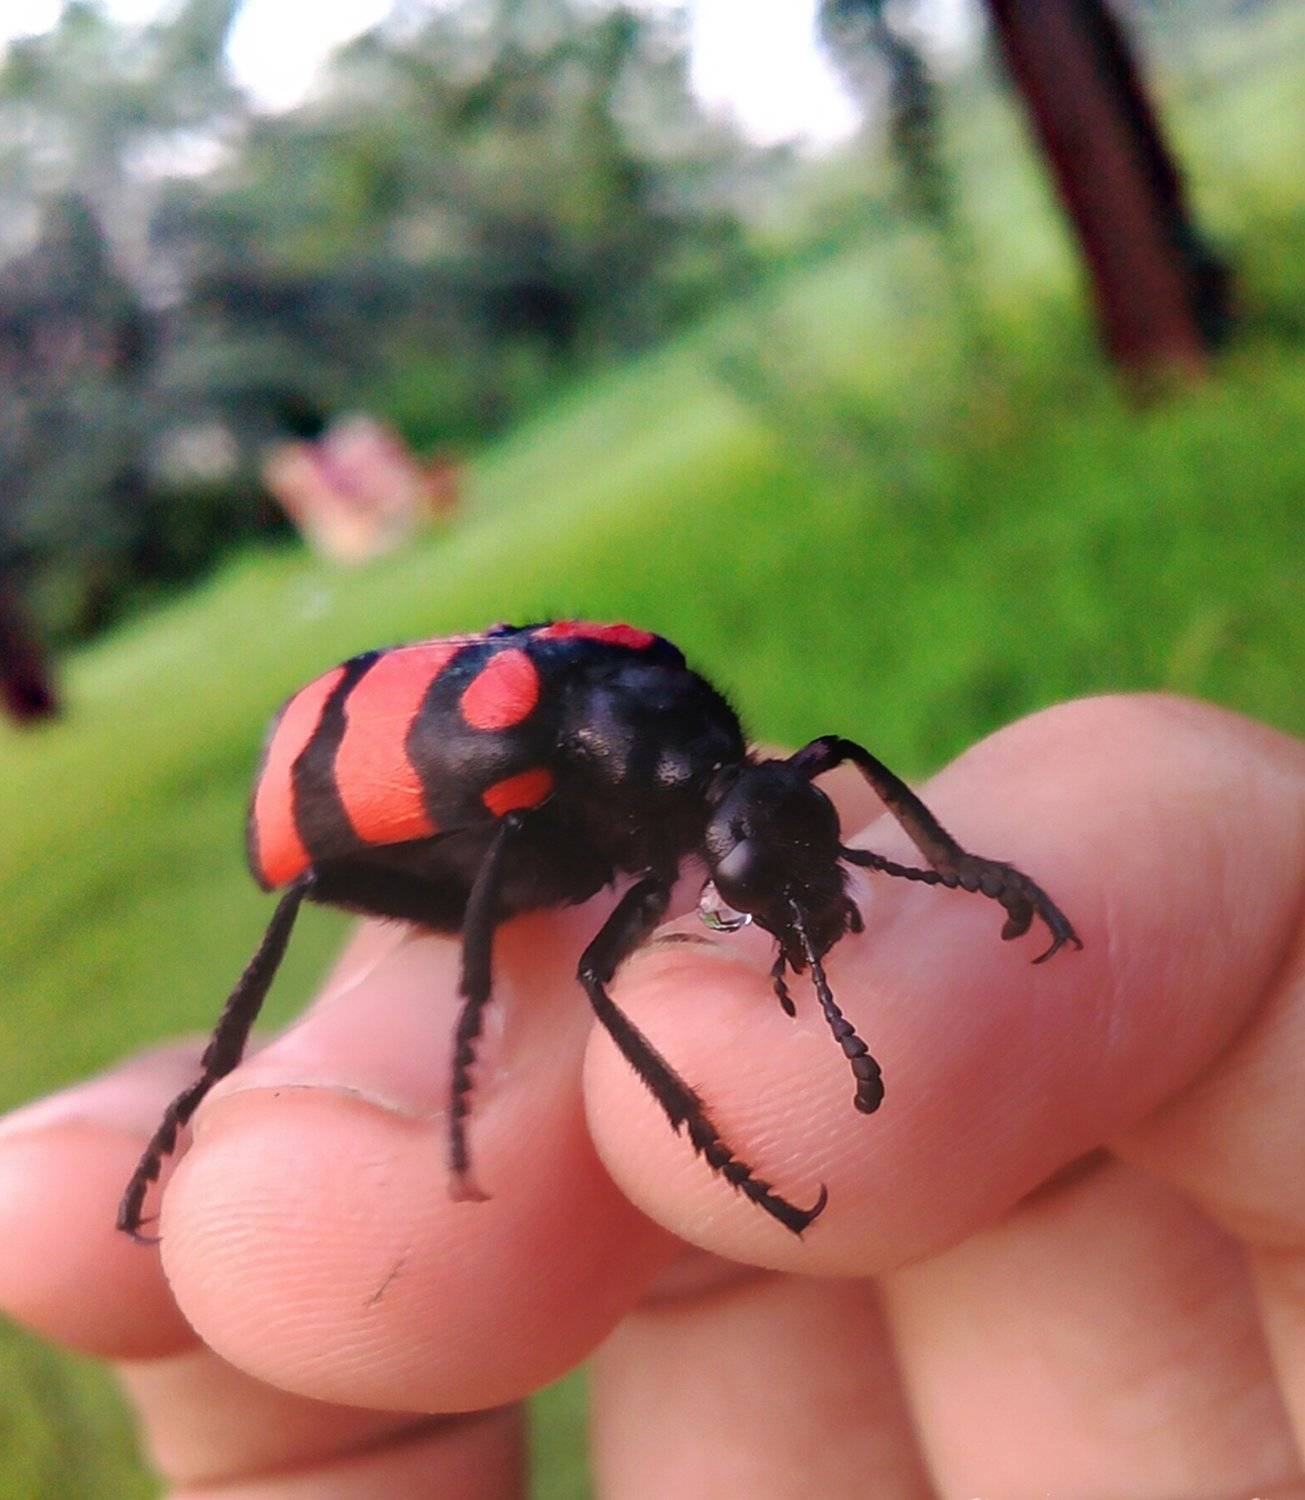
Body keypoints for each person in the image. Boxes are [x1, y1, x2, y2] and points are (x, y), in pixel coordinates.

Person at [0, 693, 1302, 1497]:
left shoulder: (674, 761)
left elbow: (802, 775)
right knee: (542, 939)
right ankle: (218, 1083)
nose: (800, 906)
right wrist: (471, 1022)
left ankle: (916, 888)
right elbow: (517, 865)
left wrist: (944, 864)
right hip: (381, 786)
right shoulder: (578, 784)